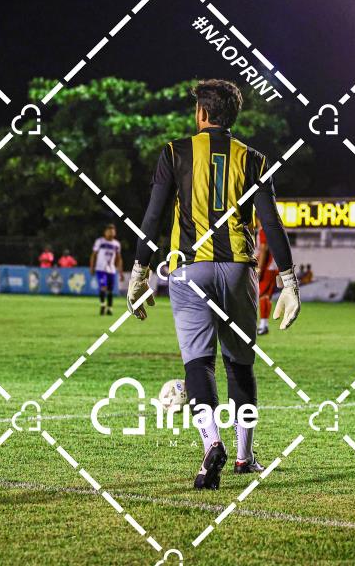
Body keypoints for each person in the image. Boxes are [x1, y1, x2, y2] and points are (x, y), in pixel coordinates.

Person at [126, 79, 300, 490]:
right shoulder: (254, 159)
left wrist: (139, 272)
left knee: (198, 363)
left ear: (202, 113)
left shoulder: (175, 152)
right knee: (240, 364)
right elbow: (271, 222)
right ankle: (244, 457)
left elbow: (153, 216)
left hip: (189, 269)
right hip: (238, 268)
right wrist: (289, 281)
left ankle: (211, 444)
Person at [90, 224, 124, 315]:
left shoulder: (116, 244)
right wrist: (92, 267)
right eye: (109, 231)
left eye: (112, 231)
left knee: (110, 290)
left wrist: (120, 272)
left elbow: (119, 258)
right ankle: (102, 305)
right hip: (100, 269)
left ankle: (109, 308)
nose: (111, 233)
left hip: (111, 270)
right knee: (103, 287)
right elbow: (93, 255)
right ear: (105, 232)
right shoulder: (100, 241)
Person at [256, 222, 278, 335]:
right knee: (266, 296)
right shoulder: (272, 228)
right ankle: (264, 325)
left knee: (262, 295)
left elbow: (264, 248)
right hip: (273, 267)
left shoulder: (263, 229)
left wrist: (259, 269)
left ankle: (263, 325)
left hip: (267, 267)